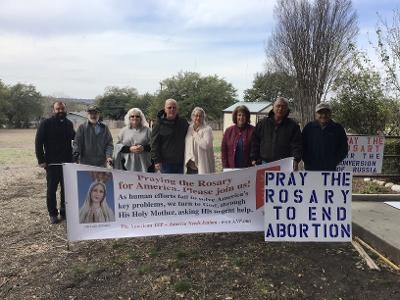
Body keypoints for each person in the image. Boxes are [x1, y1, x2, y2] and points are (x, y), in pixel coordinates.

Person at [35, 101, 75, 224]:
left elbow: (75, 138)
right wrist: (41, 160)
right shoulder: (46, 123)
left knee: (65, 189)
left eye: (62, 108)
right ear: (53, 110)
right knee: (51, 190)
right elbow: (38, 142)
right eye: (58, 109)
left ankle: (64, 211)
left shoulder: (69, 124)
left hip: (67, 163)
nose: (60, 111)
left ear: (65, 109)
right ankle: (52, 213)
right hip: (51, 163)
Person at [250, 96, 302, 170]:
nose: (280, 109)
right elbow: (255, 142)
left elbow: (296, 145)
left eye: (283, 107)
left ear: (287, 109)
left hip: (285, 165)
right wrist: (254, 158)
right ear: (273, 107)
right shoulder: (262, 124)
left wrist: (296, 159)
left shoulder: (293, 126)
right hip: (263, 164)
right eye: (278, 106)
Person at [302, 102, 348, 171]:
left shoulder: (338, 128)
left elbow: (343, 148)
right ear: (316, 114)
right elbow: (302, 146)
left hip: (330, 169)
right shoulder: (309, 127)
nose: (323, 115)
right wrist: (307, 161)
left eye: (326, 113)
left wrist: (333, 162)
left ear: (330, 114)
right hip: (310, 169)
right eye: (320, 113)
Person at [151, 99, 189, 173]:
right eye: (169, 107)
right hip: (165, 163)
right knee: (167, 184)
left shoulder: (183, 122)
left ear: (177, 109)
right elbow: (154, 144)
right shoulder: (158, 124)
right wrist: (156, 161)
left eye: (174, 108)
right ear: (165, 109)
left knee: (179, 183)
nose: (172, 109)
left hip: (180, 162)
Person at [114, 108, 153, 172]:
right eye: (132, 116)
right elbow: (117, 146)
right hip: (127, 164)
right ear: (129, 118)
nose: (135, 118)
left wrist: (144, 148)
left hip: (145, 163)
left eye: (137, 116)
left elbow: (154, 145)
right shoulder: (123, 131)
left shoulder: (148, 130)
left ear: (141, 118)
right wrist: (129, 149)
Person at [184, 107, 215, 174]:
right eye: (196, 115)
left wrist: (195, 134)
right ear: (192, 117)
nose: (198, 118)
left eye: (200, 116)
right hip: (190, 166)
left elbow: (206, 145)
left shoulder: (207, 129)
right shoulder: (190, 128)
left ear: (203, 117)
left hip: (202, 165)